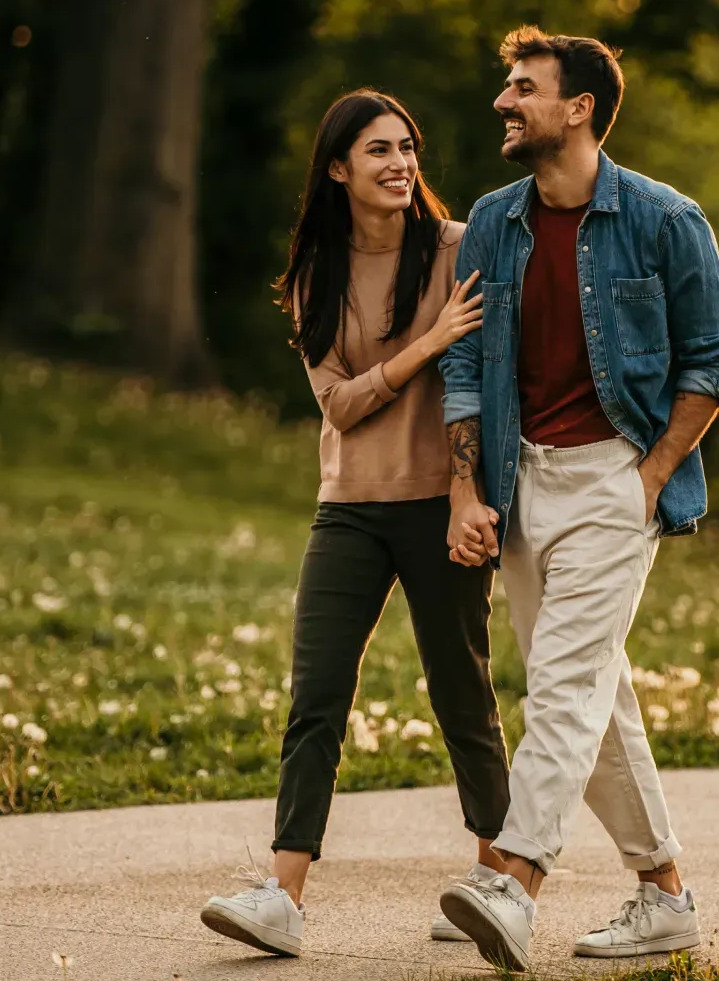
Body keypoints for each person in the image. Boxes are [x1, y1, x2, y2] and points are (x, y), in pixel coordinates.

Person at [435, 27, 719, 971]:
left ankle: (515, 882)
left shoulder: (665, 220)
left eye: (523, 88)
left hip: (616, 477)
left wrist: (647, 479)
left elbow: (714, 365)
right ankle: (666, 896)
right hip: (522, 481)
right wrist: (465, 488)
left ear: (578, 109)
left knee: (563, 687)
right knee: (595, 701)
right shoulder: (494, 221)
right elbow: (463, 363)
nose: (503, 101)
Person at [199, 89, 512, 958]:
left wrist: (469, 490)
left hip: (441, 502)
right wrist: (426, 344)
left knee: (462, 693)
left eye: (407, 147)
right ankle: (283, 896)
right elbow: (338, 405)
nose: (401, 164)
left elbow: (481, 375)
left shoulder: (457, 250)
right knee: (317, 698)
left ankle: (494, 880)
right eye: (379, 150)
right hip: (348, 510)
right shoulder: (317, 273)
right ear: (338, 168)